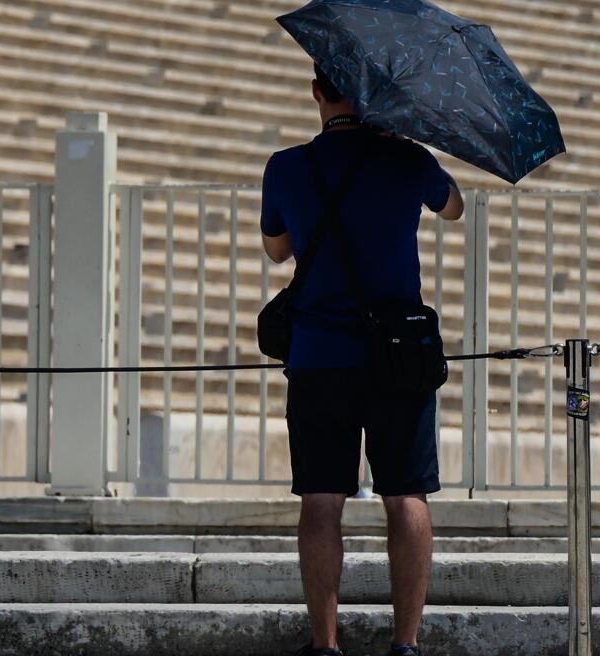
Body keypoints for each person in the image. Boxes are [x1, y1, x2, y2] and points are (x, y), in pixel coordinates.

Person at [260, 63, 465, 656]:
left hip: (320, 354)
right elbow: (451, 207)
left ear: (317, 92)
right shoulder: (405, 159)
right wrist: (407, 141)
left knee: (322, 499)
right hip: (398, 354)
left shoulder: (288, 166)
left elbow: (277, 252)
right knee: (406, 493)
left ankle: (325, 646)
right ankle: (406, 644)